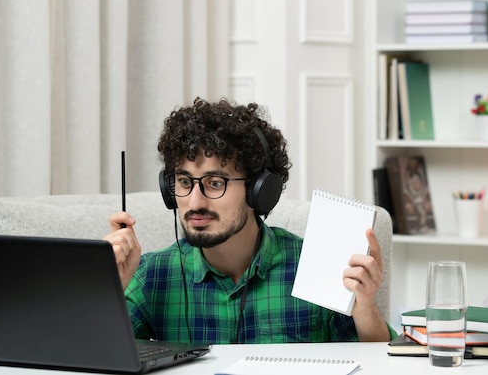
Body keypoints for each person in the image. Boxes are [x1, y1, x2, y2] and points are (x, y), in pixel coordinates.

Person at [105, 97, 396, 344]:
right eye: (184, 181)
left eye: (215, 183)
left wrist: (365, 308)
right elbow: (96, 358)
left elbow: (382, 365)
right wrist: (106, 287)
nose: (194, 202)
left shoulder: (316, 267)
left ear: (259, 190)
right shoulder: (152, 276)